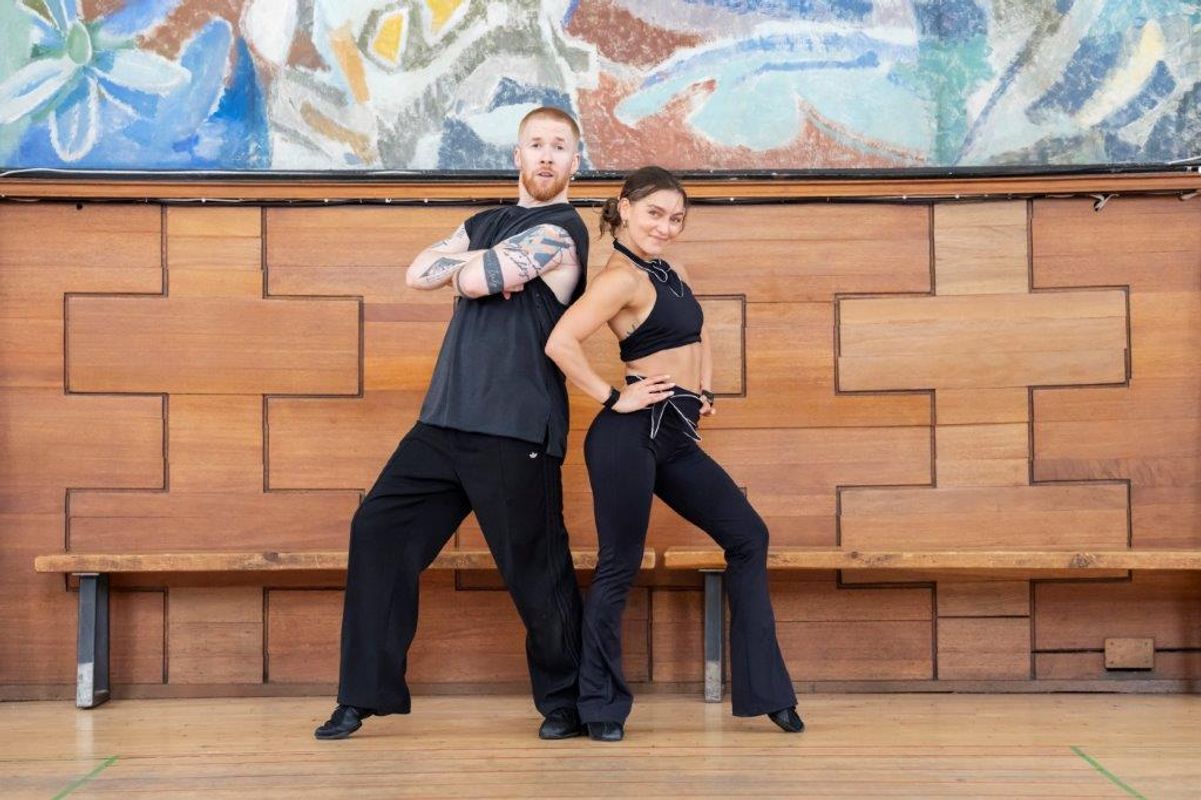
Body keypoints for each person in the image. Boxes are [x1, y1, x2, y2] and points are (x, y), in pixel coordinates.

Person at [315, 107, 590, 741]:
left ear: (576, 162)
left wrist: (472, 265)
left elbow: (463, 276)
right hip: (442, 422)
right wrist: (484, 264)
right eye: (536, 145)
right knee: (378, 531)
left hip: (516, 428)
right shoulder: (489, 221)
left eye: (560, 147)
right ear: (516, 156)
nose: (547, 156)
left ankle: (570, 704)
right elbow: (419, 274)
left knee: (537, 571)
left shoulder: (565, 230)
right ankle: (362, 695)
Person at [544, 166, 803, 742]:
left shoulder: (673, 269)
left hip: (674, 435)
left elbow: (699, 334)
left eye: (677, 218)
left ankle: (766, 692)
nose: (666, 226)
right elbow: (560, 342)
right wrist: (614, 396)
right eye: (656, 213)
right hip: (627, 435)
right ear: (626, 208)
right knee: (620, 564)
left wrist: (704, 390)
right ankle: (599, 708)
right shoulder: (619, 278)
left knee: (747, 536)